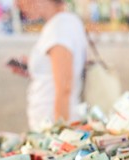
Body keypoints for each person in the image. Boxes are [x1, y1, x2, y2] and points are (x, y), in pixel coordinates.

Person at [14, 0, 87, 131]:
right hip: (50, 121)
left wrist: (59, 135)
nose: (17, 4)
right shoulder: (66, 22)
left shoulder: (59, 28)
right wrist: (32, 67)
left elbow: (64, 88)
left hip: (52, 124)